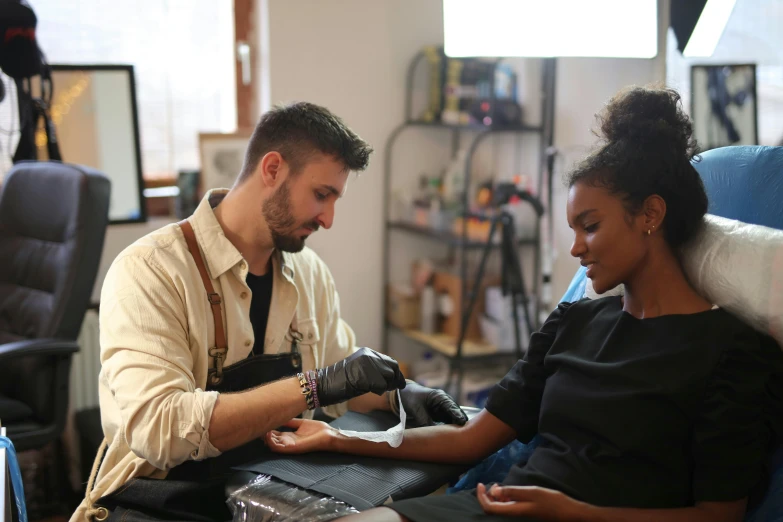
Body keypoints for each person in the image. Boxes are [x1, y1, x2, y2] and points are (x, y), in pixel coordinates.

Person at [265, 87, 783, 522]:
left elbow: (719, 516)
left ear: (650, 215)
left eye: (591, 227)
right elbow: (471, 441)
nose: (576, 249)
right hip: (493, 509)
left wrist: (570, 512)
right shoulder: (575, 322)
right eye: (574, 230)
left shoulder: (732, 353)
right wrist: (333, 438)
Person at [73, 102, 467, 522]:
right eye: (321, 195)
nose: (329, 219)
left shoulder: (309, 272)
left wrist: (400, 394)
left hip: (271, 485)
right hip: (162, 497)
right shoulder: (151, 271)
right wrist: (315, 387)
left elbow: (341, 371)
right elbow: (159, 429)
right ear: (273, 169)